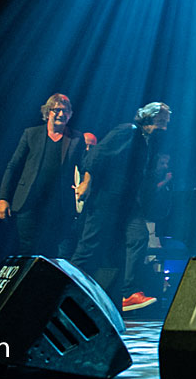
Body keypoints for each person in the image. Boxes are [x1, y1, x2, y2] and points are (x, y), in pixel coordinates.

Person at [71, 101, 171, 311]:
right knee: (89, 247)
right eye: (162, 117)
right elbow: (96, 155)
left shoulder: (147, 141)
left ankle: (129, 293)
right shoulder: (128, 131)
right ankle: (66, 288)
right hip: (106, 198)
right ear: (150, 116)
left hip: (128, 203)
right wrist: (87, 182)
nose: (166, 122)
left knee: (139, 237)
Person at [0, 93, 83, 258]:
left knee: (54, 251)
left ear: (70, 114)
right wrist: (3, 198)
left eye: (65, 111)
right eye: (57, 110)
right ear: (47, 112)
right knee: (27, 249)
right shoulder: (31, 134)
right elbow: (13, 166)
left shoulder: (75, 138)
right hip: (28, 202)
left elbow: (85, 166)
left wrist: (85, 183)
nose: (61, 114)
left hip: (58, 207)